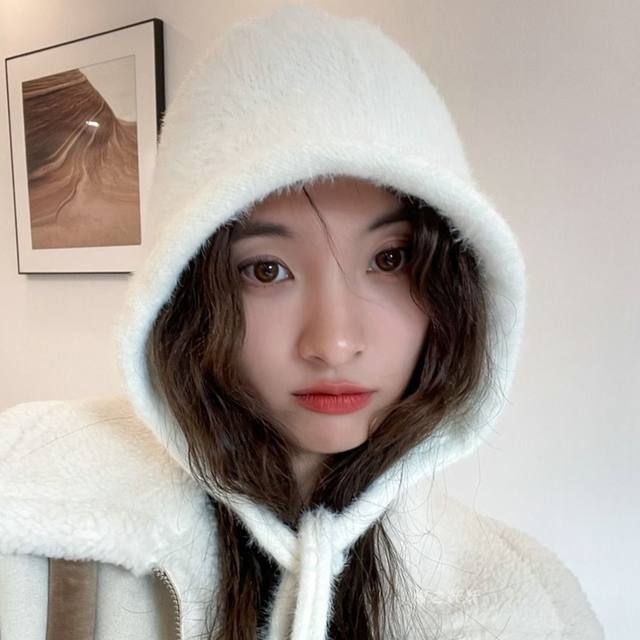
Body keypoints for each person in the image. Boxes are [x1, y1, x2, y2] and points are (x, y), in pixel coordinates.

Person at [0, 4, 605, 640]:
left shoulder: (530, 606)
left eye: (390, 260)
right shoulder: (31, 516)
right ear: (186, 292)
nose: (334, 344)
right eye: (266, 270)